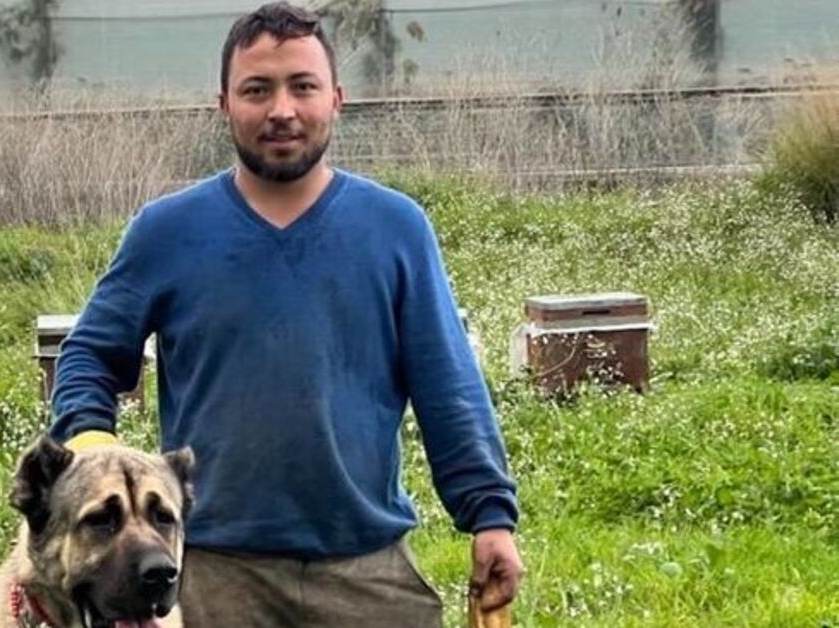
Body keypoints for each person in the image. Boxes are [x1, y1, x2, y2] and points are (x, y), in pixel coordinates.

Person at [49, 3, 522, 625]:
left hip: (365, 570)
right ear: (224, 104)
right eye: (257, 90)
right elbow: (87, 355)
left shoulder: (395, 229)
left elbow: (449, 388)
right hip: (211, 575)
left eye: (303, 86)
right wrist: (89, 448)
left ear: (336, 99)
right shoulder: (166, 231)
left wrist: (489, 514)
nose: (281, 109)